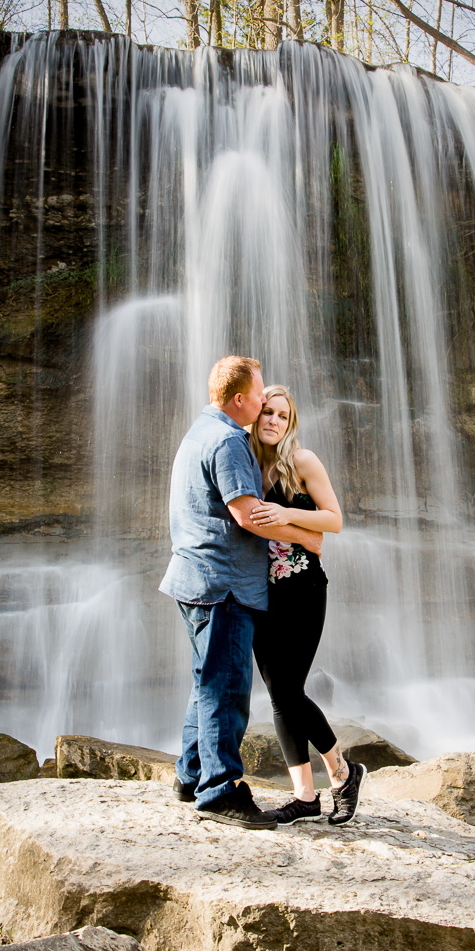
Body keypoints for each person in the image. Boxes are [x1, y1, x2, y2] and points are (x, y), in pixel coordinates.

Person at [160, 356, 324, 830]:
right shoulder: (230, 441)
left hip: (193, 577)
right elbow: (248, 515)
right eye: (258, 395)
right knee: (228, 687)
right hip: (224, 583)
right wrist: (306, 535)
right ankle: (220, 790)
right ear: (239, 399)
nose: (263, 402)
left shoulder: (200, 430)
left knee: (206, 680)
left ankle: (191, 775)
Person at [249, 384, 366, 826]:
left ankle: (343, 771)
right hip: (260, 593)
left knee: (290, 691)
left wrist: (287, 516)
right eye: (267, 414)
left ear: (290, 421)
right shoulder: (247, 467)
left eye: (282, 415)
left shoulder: (301, 461)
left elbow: (333, 520)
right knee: (278, 698)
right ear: (255, 420)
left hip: (301, 590)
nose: (274, 421)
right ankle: (304, 796)